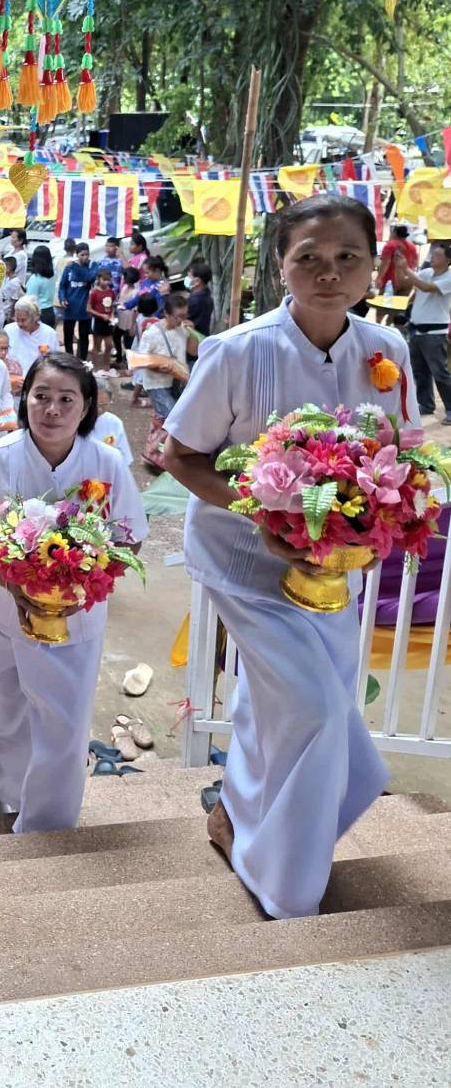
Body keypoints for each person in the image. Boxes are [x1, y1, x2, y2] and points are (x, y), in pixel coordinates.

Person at [162, 196, 418, 920]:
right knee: (313, 706)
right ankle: (283, 881)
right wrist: (261, 513)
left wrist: (378, 522)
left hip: (335, 570)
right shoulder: (238, 351)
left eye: (346, 258)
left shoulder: (386, 352)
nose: (328, 272)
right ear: (282, 264)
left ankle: (238, 817)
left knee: (287, 704)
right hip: (244, 562)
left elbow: (399, 456)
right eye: (309, 256)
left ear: (373, 266)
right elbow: (181, 456)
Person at [0, 354, 147, 834]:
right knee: (1, 718)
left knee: (64, 724)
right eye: (41, 396)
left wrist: (89, 581)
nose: (51, 409)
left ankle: (46, 828)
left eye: (65, 399)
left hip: (76, 620)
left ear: (86, 408)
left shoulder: (106, 462)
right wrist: (12, 581)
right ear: (24, 400)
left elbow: (131, 536)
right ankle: (3, 802)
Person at [398, 241, 451, 423]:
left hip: (435, 333)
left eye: (437, 255)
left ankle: (450, 409)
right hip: (417, 329)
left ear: (448, 260)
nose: (432, 257)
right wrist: (400, 268)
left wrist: (406, 269)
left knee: (440, 373)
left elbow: (425, 287)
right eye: (433, 254)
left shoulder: (449, 278)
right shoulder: (426, 272)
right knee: (420, 371)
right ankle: (426, 404)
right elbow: (412, 284)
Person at [136, 290, 191, 421]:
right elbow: (141, 360)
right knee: (173, 418)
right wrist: (158, 367)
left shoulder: (183, 330)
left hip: (178, 381)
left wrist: (193, 333)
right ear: (166, 314)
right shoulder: (151, 334)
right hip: (157, 384)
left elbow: (193, 352)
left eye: (184, 316)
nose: (181, 320)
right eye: (178, 316)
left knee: (179, 417)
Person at [58, 242, 96, 358]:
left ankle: (82, 360)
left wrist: (75, 266)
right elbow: (62, 285)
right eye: (82, 255)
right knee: (68, 335)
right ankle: (69, 358)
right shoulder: (68, 268)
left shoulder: (92, 266)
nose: (85, 257)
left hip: (85, 307)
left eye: (86, 254)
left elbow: (89, 277)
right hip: (69, 307)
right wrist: (62, 298)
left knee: (84, 336)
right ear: (77, 254)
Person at [375, 223, 419, 316]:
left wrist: (379, 278)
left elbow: (385, 263)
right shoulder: (412, 246)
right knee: (398, 308)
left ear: (394, 232)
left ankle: (379, 324)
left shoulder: (390, 245)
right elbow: (415, 263)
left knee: (382, 306)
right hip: (407, 281)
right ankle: (390, 324)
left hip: (391, 280)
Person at [4, 297, 58, 374]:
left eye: (23, 320)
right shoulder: (9, 329)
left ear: (36, 317)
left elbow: (54, 362)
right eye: (17, 319)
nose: (19, 324)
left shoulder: (49, 334)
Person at [90, 371, 133, 466]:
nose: (98, 409)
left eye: (103, 404)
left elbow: (124, 457)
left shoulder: (114, 422)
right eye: (94, 404)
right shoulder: (75, 420)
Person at [87, 270, 116, 368]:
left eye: (108, 280)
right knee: (97, 346)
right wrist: (101, 315)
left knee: (109, 345)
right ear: (98, 279)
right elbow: (88, 309)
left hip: (108, 322)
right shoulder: (94, 292)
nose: (106, 282)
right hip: (98, 321)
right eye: (104, 280)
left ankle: (106, 364)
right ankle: (94, 365)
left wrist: (112, 316)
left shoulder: (110, 291)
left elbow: (112, 306)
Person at [25, 244, 57, 329]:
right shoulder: (52, 276)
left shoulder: (35, 278)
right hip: (50, 310)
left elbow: (30, 300)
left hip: (38, 313)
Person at [186, 263, 215, 338]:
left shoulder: (195, 301)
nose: (187, 278)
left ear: (197, 281)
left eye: (189, 276)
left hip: (195, 338)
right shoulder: (206, 295)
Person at [0, 256, 24, 324]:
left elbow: (15, 300)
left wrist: (11, 315)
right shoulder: (6, 278)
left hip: (7, 312)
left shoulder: (15, 282)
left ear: (8, 268)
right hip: (2, 309)